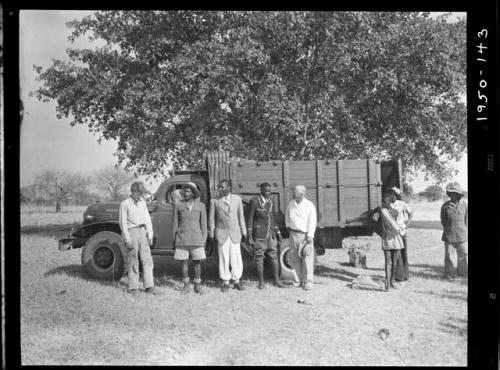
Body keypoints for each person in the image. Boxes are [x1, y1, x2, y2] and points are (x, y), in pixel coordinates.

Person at [119, 181, 160, 295]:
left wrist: (150, 234)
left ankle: (149, 286)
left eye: (141, 193)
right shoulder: (125, 204)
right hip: (132, 232)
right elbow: (123, 223)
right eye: (138, 192)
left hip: (143, 232)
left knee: (147, 260)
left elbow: (147, 219)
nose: (139, 195)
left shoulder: (142, 203)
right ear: (132, 191)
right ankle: (134, 287)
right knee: (133, 260)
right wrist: (127, 239)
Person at [208, 179, 247, 292]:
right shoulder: (214, 201)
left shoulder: (237, 200)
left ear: (228, 187)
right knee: (224, 257)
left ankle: (237, 281)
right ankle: (225, 281)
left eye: (222, 187)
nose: (220, 189)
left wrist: (244, 232)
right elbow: (211, 219)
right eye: (219, 187)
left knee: (236, 257)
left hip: (235, 233)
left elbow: (241, 217)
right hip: (221, 233)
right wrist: (211, 234)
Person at [246, 183, 285, 289]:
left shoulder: (271, 202)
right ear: (261, 191)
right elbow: (250, 220)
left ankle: (277, 280)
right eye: (266, 191)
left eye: (269, 191)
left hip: (271, 234)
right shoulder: (254, 202)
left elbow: (273, 219)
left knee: (274, 256)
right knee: (259, 258)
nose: (268, 193)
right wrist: (249, 236)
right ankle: (261, 282)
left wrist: (278, 233)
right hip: (259, 235)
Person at [172, 182, 207, 294]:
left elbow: (204, 225)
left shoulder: (201, 206)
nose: (186, 193)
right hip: (182, 239)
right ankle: (186, 285)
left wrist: (204, 239)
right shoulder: (178, 205)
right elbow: (174, 224)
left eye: (188, 191)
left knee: (197, 263)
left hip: (197, 239)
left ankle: (197, 285)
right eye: (184, 191)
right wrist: (174, 239)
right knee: (184, 263)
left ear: (193, 193)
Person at [285, 185, 317, 291]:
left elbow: (312, 221)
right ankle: (298, 281)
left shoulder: (309, 206)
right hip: (293, 235)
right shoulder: (291, 204)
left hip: (304, 236)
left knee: (306, 259)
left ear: (303, 194)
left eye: (298, 195)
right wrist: (288, 227)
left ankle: (308, 282)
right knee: (294, 259)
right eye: (295, 195)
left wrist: (310, 236)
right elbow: (287, 216)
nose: (296, 197)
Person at [440, 182, 468, 279]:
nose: (453, 195)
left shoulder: (465, 206)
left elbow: (466, 220)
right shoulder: (445, 206)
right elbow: (443, 221)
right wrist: (449, 228)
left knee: (463, 254)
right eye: (451, 193)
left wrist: (463, 230)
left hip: (462, 234)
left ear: (459, 195)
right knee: (449, 255)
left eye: (455, 193)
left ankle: (463, 273)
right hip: (449, 234)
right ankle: (449, 274)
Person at [379, 192, 405, 290]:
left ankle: (391, 281)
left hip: (395, 238)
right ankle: (388, 282)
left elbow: (400, 224)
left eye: (386, 201)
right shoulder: (383, 211)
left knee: (393, 261)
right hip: (388, 238)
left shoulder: (393, 212)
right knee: (388, 262)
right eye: (385, 201)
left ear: (389, 202)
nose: (385, 203)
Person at [388, 186, 413, 282]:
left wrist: (408, 224)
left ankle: (405, 275)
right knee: (395, 254)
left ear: (397, 196)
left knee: (403, 253)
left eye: (394, 194)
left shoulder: (402, 204)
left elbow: (411, 212)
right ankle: (397, 276)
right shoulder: (388, 205)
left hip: (402, 232)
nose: (392, 196)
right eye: (391, 194)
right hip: (393, 234)